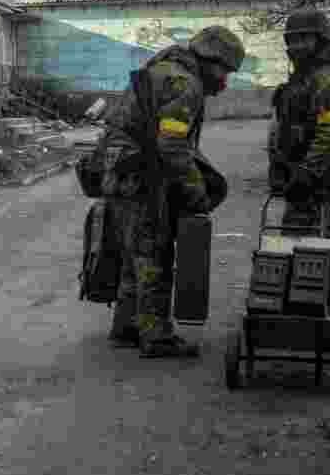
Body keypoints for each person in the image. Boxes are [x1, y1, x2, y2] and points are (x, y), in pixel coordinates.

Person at [99, 25, 245, 357]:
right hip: (140, 174)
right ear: (212, 59)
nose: (224, 80)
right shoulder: (185, 83)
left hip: (122, 170)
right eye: (225, 70)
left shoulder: (165, 68)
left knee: (134, 250)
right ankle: (157, 336)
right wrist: (195, 192)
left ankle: (126, 326)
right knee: (154, 252)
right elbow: (174, 145)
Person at [270, 8, 330, 324]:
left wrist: (308, 173)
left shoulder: (327, 79)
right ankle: (323, 304)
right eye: (291, 40)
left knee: (309, 244)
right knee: (303, 242)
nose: (295, 46)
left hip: (324, 180)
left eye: (303, 39)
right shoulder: (308, 76)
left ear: (320, 39)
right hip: (308, 177)